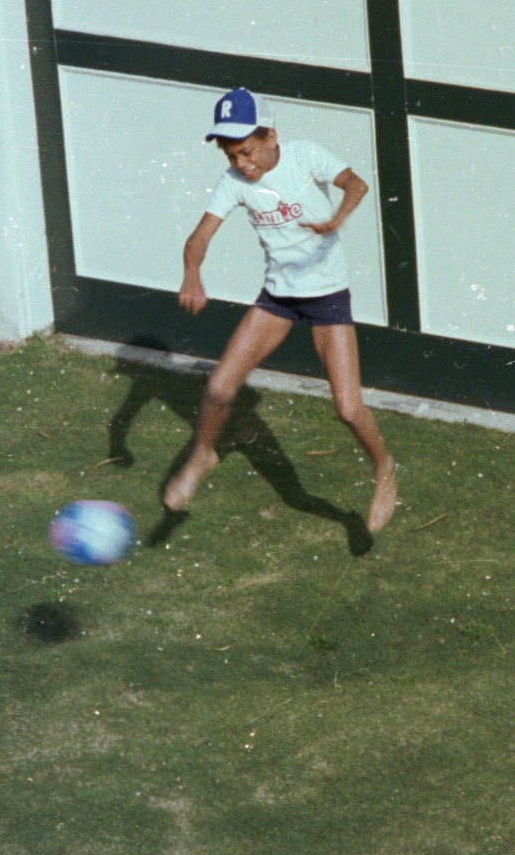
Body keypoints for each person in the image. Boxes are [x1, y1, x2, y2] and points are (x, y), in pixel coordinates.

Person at [162, 87, 398, 534]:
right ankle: (204, 454)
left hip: (328, 297)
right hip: (278, 297)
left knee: (348, 409)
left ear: (272, 135)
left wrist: (336, 218)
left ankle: (384, 466)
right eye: (232, 156)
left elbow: (356, 184)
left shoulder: (305, 156)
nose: (241, 164)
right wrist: (192, 274)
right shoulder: (234, 182)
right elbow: (198, 239)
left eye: (248, 152)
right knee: (218, 388)